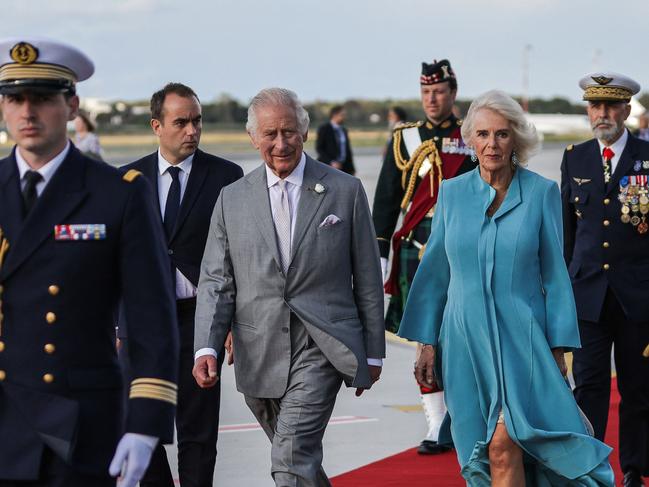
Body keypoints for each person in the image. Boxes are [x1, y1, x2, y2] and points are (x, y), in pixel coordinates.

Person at [399, 89, 614, 485]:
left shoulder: (541, 193)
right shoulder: (451, 193)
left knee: (504, 444)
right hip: (463, 343)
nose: (491, 144)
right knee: (478, 454)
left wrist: (559, 347)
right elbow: (435, 274)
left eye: (501, 134)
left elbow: (554, 276)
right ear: (470, 140)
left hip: (523, 343)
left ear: (516, 138)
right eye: (482, 134)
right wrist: (426, 343)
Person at [0, 38, 178, 487]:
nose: (27, 113)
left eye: (42, 99)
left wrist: (145, 424)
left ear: (72, 105)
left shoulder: (116, 193)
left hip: (80, 425)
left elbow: (150, 319)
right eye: (14, 99)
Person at [192, 87, 385, 487]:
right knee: (299, 462)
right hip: (257, 350)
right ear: (253, 138)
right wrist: (207, 345)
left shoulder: (344, 191)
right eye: (270, 134)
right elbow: (216, 280)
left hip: (323, 344)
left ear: (305, 132)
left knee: (291, 455)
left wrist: (374, 351)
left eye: (289, 132)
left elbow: (367, 275)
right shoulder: (232, 199)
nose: (281, 143)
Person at [118, 83, 243, 487]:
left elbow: (239, 258)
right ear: (157, 126)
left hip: (199, 321)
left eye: (197, 121)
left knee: (198, 430)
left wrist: (232, 326)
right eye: (181, 122)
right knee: (139, 421)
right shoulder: (127, 180)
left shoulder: (226, 176)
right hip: (143, 323)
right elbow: (114, 263)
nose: (192, 130)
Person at [372, 59, 476, 455]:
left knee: (464, 337)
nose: (432, 99)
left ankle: (462, 416)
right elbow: (385, 199)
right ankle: (436, 423)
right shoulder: (405, 138)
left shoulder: (471, 133)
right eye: (426, 92)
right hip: (418, 250)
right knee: (424, 337)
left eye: (439, 92)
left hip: (462, 250)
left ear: (453, 93)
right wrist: (381, 251)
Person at [561, 72, 649, 487]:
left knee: (638, 389)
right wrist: (560, 291)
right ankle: (592, 470)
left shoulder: (647, 156)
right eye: (595, 106)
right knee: (590, 387)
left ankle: (634, 469)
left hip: (638, 297)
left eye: (611, 105)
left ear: (626, 110)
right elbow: (567, 233)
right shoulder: (574, 157)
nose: (602, 114)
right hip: (588, 295)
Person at [315, 105, 355, 175]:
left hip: (344, 168)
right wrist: (331, 162)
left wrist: (352, 169)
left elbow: (347, 151)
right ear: (334, 115)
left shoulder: (344, 130)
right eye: (342, 115)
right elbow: (319, 148)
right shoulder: (324, 129)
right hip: (328, 167)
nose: (344, 117)